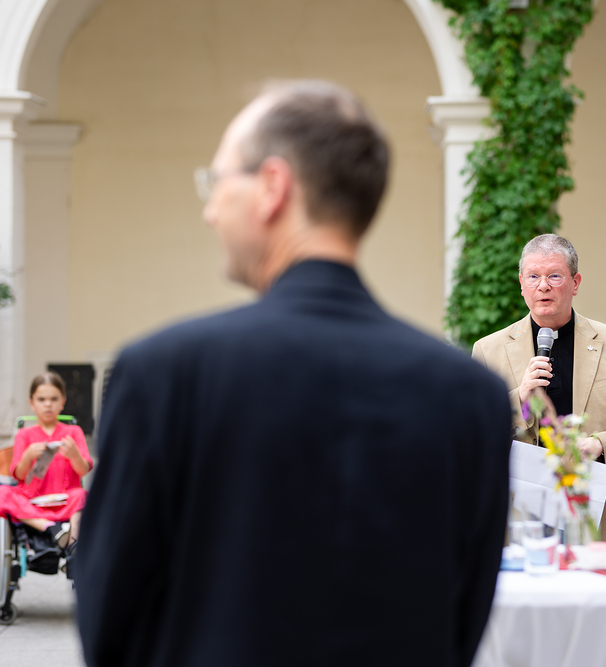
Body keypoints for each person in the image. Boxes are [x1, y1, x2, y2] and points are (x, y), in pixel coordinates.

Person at [75, 80, 512, 667]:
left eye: (217, 181)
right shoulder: (470, 395)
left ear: (272, 187)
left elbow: (107, 619)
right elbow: (462, 624)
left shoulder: (165, 373)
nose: (209, 211)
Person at [471, 234, 606, 541]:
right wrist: (519, 397)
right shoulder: (489, 350)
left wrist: (600, 444)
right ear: (521, 283)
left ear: (575, 283)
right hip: (520, 515)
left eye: (554, 276)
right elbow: (472, 435)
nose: (543, 286)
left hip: (595, 509)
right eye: (533, 276)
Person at [0, 372, 92, 550]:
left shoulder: (73, 432)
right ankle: (51, 528)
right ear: (32, 403)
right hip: (32, 502)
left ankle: (73, 544)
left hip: (65, 501)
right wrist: (28, 456)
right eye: (41, 399)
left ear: (62, 402)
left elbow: (83, 470)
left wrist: (74, 455)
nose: (48, 404)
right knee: (3, 493)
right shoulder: (24, 434)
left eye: (53, 399)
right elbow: (18, 475)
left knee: (83, 495)